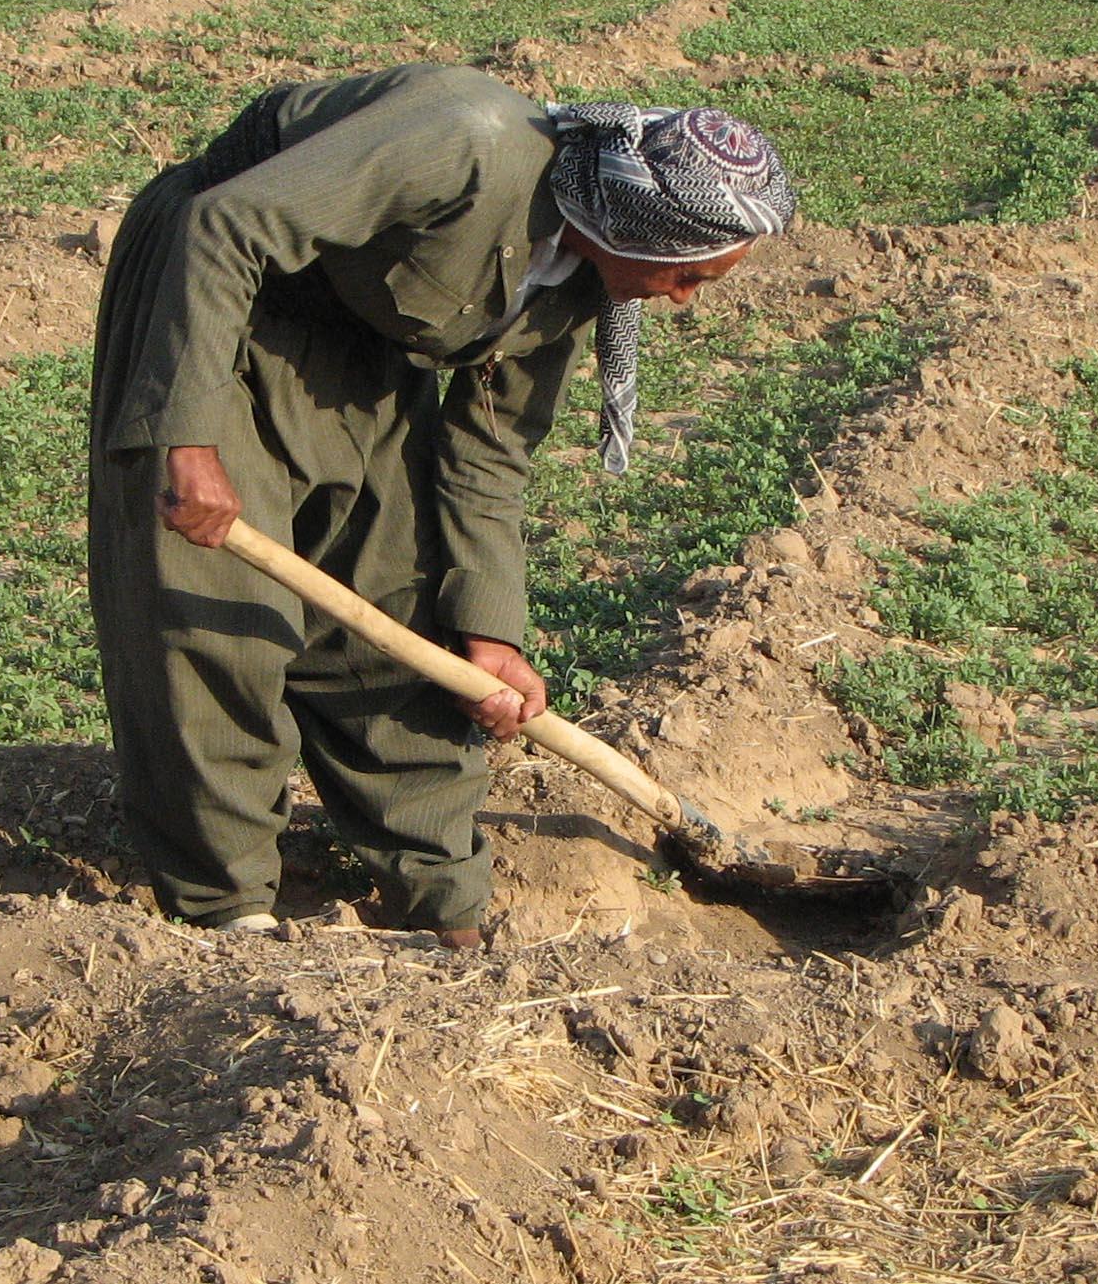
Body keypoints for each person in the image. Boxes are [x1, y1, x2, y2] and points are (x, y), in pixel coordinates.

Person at [87, 63, 795, 949]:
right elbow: (222, 226)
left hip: (354, 335)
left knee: (399, 603)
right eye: (687, 275)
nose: (684, 299)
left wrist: (491, 633)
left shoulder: (580, 278)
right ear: (640, 225)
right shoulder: (469, 142)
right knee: (219, 623)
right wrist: (185, 438)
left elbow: (489, 452)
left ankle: (443, 904)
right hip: (214, 301)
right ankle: (232, 912)